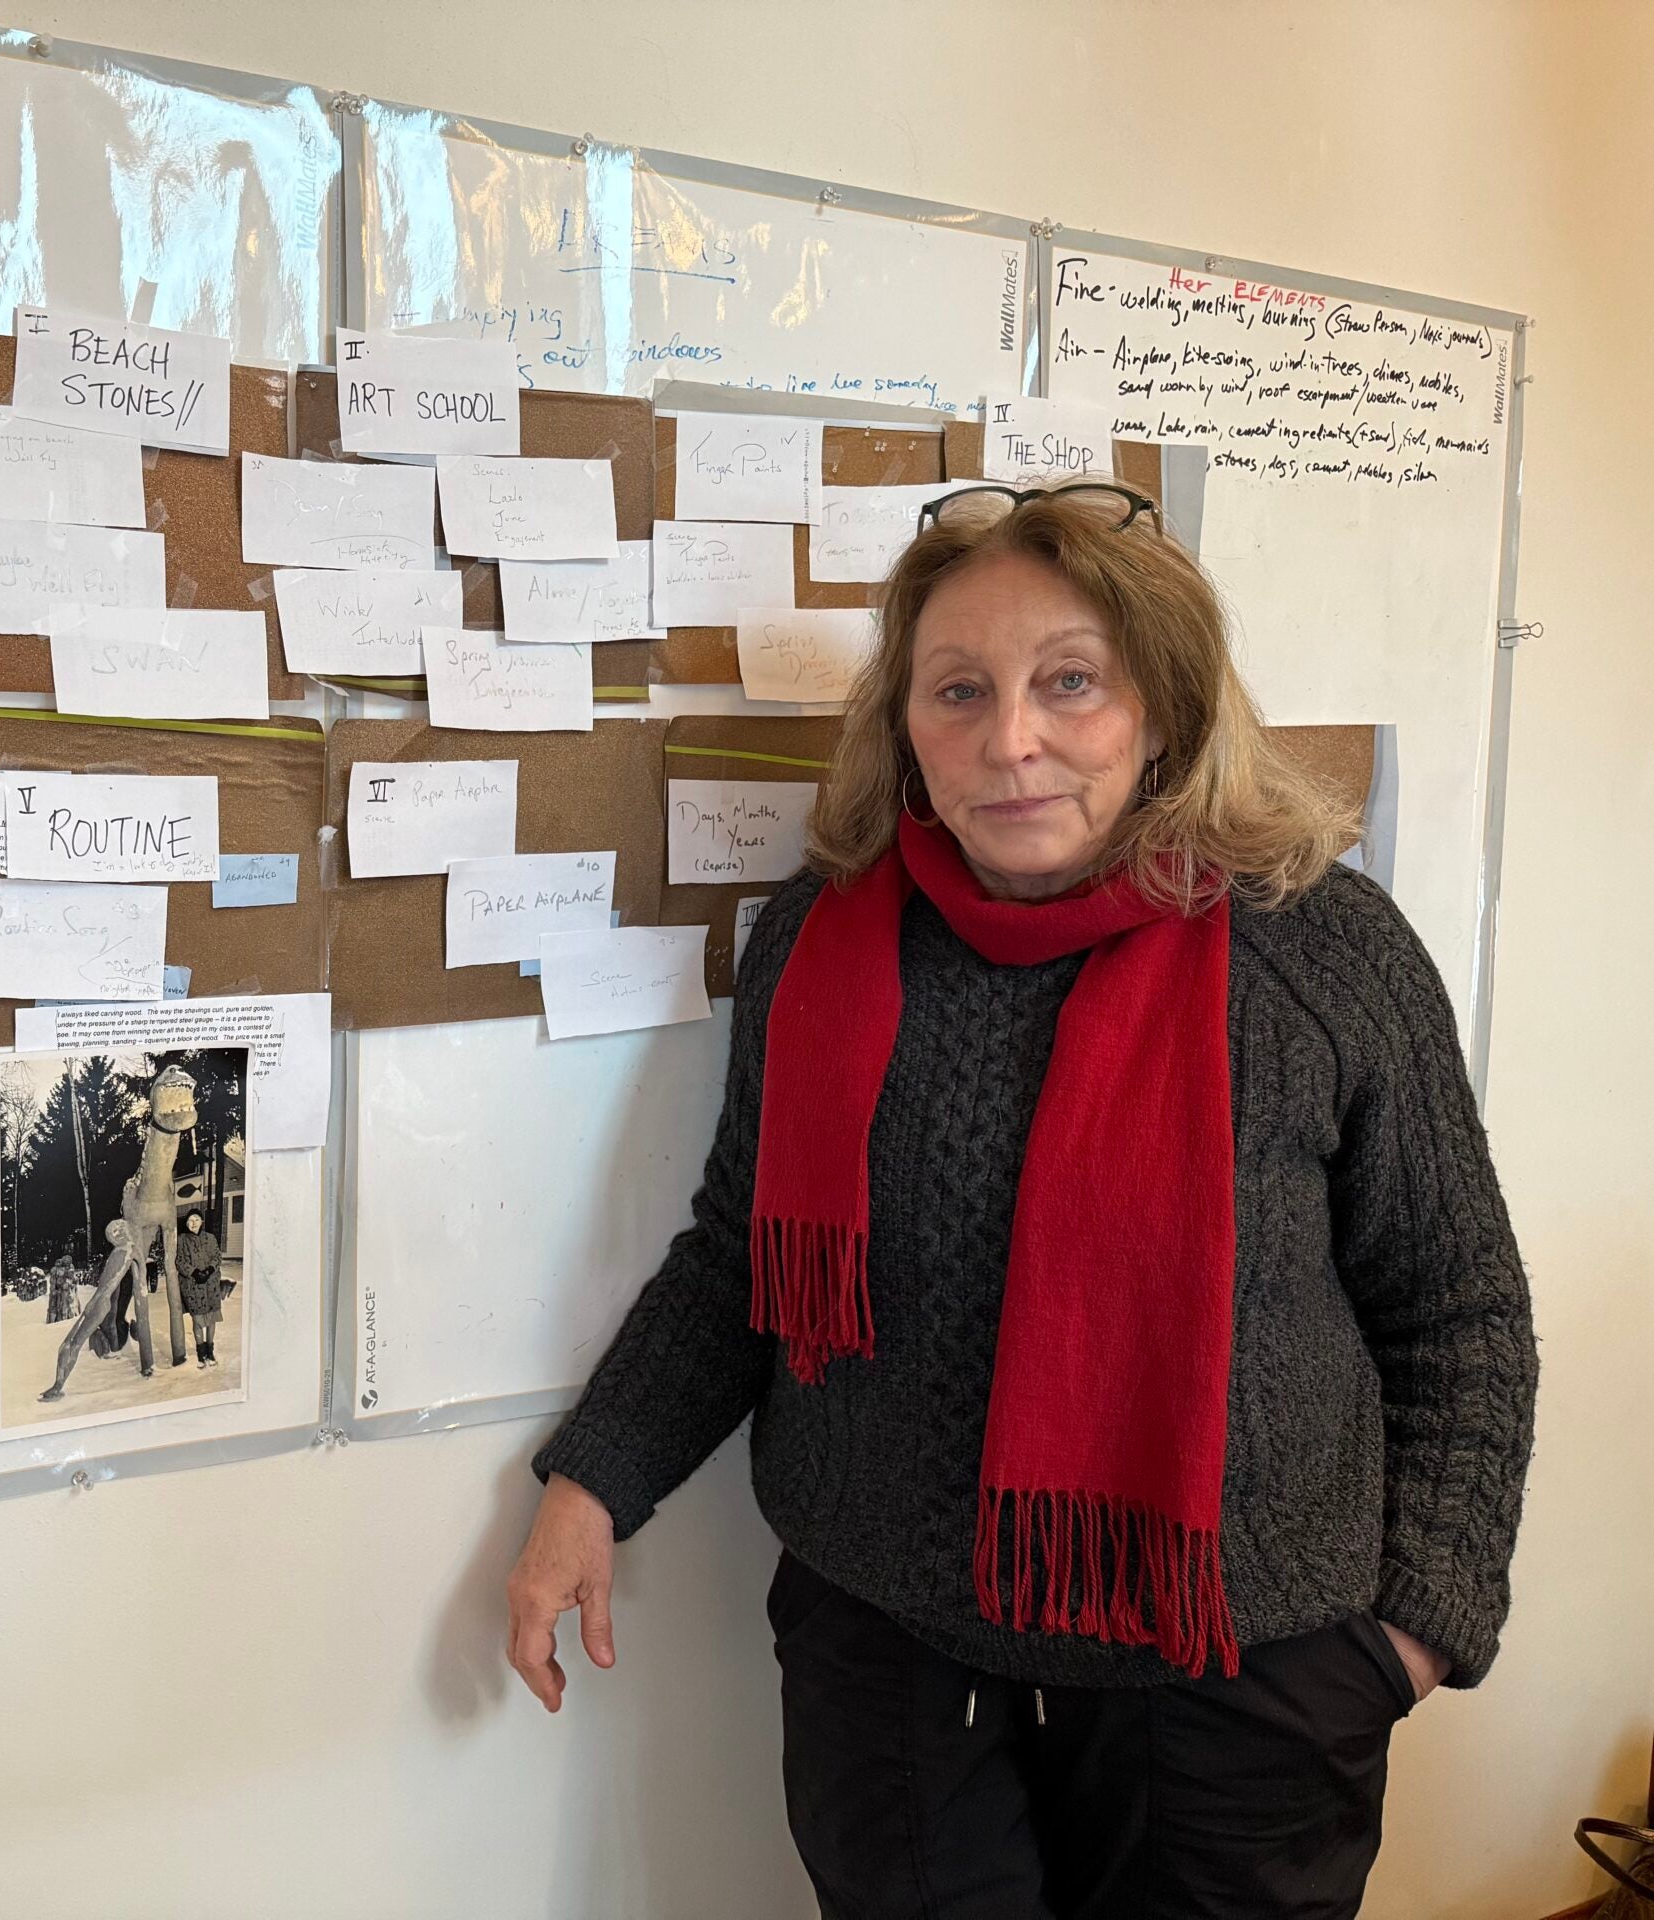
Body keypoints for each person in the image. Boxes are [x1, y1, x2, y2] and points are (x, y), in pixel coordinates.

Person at [503, 480, 1537, 1918]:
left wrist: (1414, 1628)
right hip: (891, 1666)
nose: (1010, 741)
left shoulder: (1321, 951)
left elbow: (1458, 1309)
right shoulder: (821, 939)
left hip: (1235, 1682)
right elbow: (745, 1252)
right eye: (958, 690)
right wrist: (592, 1482)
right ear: (906, 725)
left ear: (1162, 709)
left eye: (1070, 682)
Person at [39, 1220, 158, 1401]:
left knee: (73, 1342)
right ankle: (57, 1385)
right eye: (113, 1233)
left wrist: (141, 1293)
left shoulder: (129, 1250)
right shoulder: (122, 1251)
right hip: (97, 1302)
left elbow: (138, 1279)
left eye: (119, 1230)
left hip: (100, 1303)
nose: (116, 1234)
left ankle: (58, 1386)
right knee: (69, 1343)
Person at [176, 1211, 227, 1367]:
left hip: (211, 1285)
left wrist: (210, 1270)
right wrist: (194, 1272)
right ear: (186, 1223)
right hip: (193, 1285)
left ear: (202, 1221)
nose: (193, 1223)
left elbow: (217, 1256)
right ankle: (201, 1354)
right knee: (197, 1319)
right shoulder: (181, 1239)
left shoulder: (210, 1238)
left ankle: (210, 1352)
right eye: (190, 1220)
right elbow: (179, 1260)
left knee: (212, 1318)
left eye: (196, 1219)